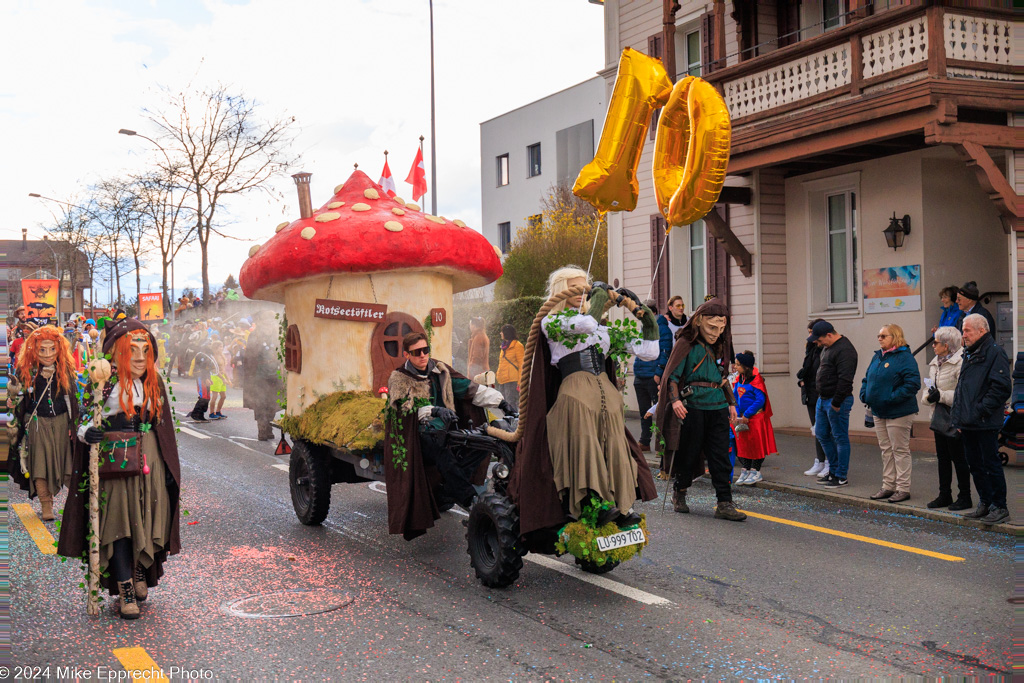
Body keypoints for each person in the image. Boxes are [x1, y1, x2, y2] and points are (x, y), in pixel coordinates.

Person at [59, 318, 181, 620]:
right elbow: (83, 420)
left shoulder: (154, 381)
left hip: (149, 460)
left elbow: (162, 426)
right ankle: (125, 586)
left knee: (148, 519)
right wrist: (90, 432)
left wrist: (167, 467)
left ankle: (140, 571)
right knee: (119, 525)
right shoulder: (103, 382)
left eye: (145, 351)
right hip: (116, 462)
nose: (140, 358)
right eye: (132, 351)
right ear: (115, 353)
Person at [537, 267, 659, 525]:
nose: (583, 293)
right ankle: (593, 504)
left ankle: (621, 507)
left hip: (608, 398)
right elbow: (585, 324)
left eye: (587, 288)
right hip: (576, 395)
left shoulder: (602, 332)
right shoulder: (554, 322)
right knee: (586, 448)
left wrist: (646, 319)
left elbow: (649, 352)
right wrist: (601, 299)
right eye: (577, 288)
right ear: (563, 290)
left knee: (615, 448)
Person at [383, 332, 513, 540]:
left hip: (447, 430)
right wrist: (433, 411)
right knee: (440, 449)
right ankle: (470, 499)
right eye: (417, 352)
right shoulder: (399, 379)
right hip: (418, 437)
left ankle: (448, 490)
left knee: (482, 442)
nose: (423, 355)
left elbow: (470, 389)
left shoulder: (440, 370)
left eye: (426, 350)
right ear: (407, 354)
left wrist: (501, 402)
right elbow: (405, 413)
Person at [655, 298, 746, 521]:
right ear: (698, 322)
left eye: (721, 328)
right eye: (712, 327)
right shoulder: (685, 343)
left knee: (720, 456)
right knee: (689, 453)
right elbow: (673, 376)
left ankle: (724, 502)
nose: (716, 333)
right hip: (693, 407)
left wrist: (732, 403)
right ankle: (680, 491)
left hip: (718, 407)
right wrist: (675, 401)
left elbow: (724, 379)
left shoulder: (720, 346)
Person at [7, 325, 79, 521]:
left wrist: (74, 426)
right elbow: (15, 402)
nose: (48, 355)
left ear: (59, 349)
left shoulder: (65, 370)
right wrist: (12, 395)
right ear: (34, 350)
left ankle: (75, 507)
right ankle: (45, 504)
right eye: (42, 350)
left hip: (62, 423)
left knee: (68, 464)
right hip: (37, 423)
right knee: (38, 465)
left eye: (52, 349)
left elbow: (72, 400)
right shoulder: (26, 371)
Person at [951, 314, 1011, 524]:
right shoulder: (970, 353)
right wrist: (959, 418)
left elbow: (1001, 387)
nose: (963, 334)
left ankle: (1000, 506)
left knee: (990, 464)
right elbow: (963, 390)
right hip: (969, 422)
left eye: (967, 330)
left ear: (981, 330)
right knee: (975, 465)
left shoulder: (995, 352)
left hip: (984, 421)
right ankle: (985, 502)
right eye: (963, 330)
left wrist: (979, 411)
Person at [861, 323, 921, 503]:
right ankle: (888, 486)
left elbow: (912, 384)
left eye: (883, 336)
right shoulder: (877, 357)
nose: (879, 338)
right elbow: (867, 378)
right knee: (886, 450)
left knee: (899, 450)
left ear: (894, 337)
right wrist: (865, 393)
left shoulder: (905, 357)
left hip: (899, 411)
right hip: (879, 410)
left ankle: (903, 488)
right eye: (879, 336)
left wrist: (891, 397)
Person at [922, 326, 972, 510]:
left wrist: (941, 396)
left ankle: (965, 496)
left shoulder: (961, 362)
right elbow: (929, 387)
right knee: (942, 458)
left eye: (935, 342)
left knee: (959, 458)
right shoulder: (936, 361)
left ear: (946, 345)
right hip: (938, 417)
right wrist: (929, 397)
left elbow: (963, 394)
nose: (933, 345)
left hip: (955, 417)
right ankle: (944, 495)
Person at [809, 320, 858, 488]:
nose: (818, 344)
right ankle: (834, 470)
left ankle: (841, 475)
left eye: (820, 340)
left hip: (837, 400)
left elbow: (846, 379)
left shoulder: (845, 350)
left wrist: (837, 402)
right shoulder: (827, 347)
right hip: (823, 399)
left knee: (840, 437)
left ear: (829, 335)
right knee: (821, 434)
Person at [731, 351, 777, 485]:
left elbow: (760, 400)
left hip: (755, 418)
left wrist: (747, 414)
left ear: (746, 366)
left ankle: (755, 471)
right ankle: (745, 469)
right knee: (743, 445)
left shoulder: (756, 380)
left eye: (738, 364)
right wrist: (737, 412)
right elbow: (735, 396)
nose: (735, 366)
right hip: (742, 418)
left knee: (756, 445)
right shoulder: (739, 378)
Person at [242, 311, 283, 441]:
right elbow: (249, 357)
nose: (269, 322)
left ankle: (268, 426)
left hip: (274, 374)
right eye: (266, 319)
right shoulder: (255, 335)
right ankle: (262, 430)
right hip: (259, 375)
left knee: (272, 402)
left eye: (271, 320)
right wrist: (249, 377)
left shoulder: (277, 334)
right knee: (260, 402)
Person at [798, 319, 828, 477]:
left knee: (826, 430)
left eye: (813, 333)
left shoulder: (826, 349)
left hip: (822, 394)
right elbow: (809, 369)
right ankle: (820, 461)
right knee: (816, 429)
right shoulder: (811, 348)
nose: (810, 337)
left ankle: (829, 462)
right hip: (810, 393)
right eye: (809, 333)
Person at [632, 299, 660, 452]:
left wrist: (658, 372)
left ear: (653, 312)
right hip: (640, 375)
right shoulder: (642, 329)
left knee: (657, 410)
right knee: (644, 411)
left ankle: (660, 444)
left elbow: (664, 351)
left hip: (652, 375)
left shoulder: (659, 328)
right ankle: (644, 441)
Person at [654, 295, 686, 384]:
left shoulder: (688, 322)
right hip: (670, 362)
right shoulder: (665, 323)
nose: (681, 308)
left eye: (682, 305)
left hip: (686, 362)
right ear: (670, 308)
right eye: (678, 306)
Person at [495, 324, 524, 405]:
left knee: (510, 403)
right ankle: (507, 417)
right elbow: (502, 362)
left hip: (512, 379)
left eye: (502, 332)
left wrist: (520, 381)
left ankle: (513, 417)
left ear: (506, 333)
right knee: (502, 403)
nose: (500, 333)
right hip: (502, 379)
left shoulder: (517, 346)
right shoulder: (503, 346)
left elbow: (522, 365)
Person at [207, 340, 229, 420]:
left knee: (223, 396)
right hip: (216, 377)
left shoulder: (222, 356)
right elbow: (215, 370)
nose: (222, 348)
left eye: (222, 346)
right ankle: (212, 413)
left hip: (222, 377)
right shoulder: (213, 357)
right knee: (215, 396)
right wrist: (223, 378)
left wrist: (228, 379)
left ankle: (218, 411)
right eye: (220, 346)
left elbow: (223, 369)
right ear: (216, 347)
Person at [466, 317, 490, 381]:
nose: (470, 327)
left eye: (470, 325)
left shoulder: (478, 337)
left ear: (474, 326)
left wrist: (471, 369)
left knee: (477, 390)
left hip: (478, 373)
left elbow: (477, 357)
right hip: (482, 371)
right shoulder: (482, 335)